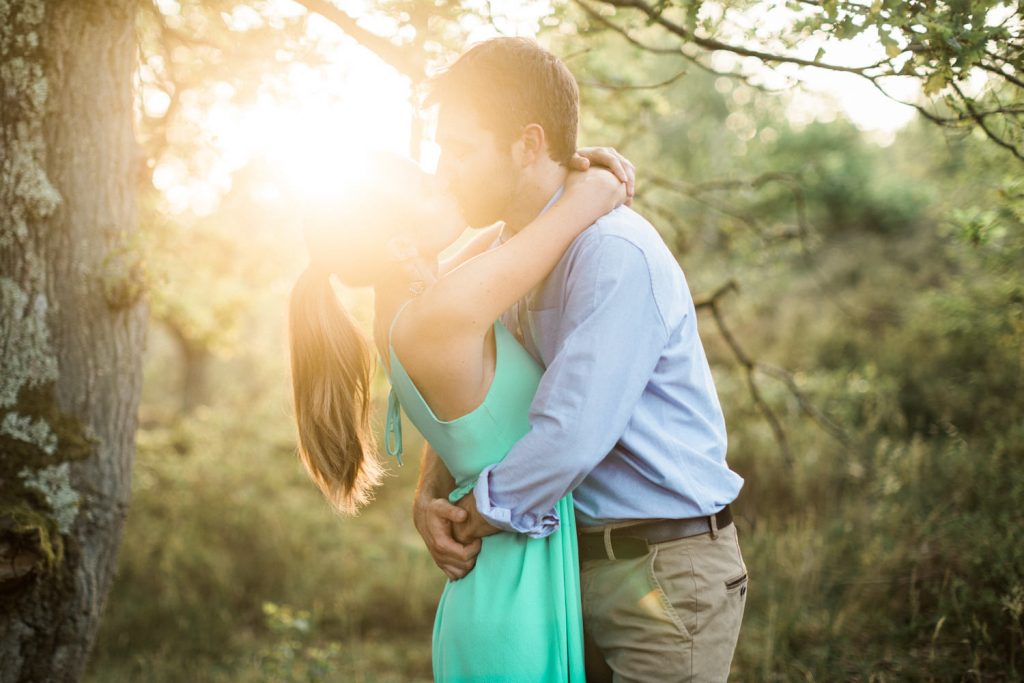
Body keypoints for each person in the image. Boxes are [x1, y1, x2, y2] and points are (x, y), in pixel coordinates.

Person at [413, 37, 749, 681]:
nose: (444, 170)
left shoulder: (610, 251)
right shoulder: (508, 256)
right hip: (560, 565)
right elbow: (474, 391)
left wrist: (470, 517)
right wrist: (429, 494)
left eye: (459, 148)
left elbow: (571, 434)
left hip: (662, 569)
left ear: (528, 144)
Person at [287, 150, 628, 681]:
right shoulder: (442, 312)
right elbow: (583, 205)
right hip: (509, 599)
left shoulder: (416, 306)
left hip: (507, 579)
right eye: (428, 187)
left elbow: (516, 230)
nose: (446, 180)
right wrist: (595, 174)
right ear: (400, 244)